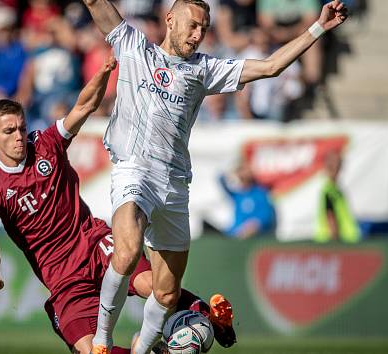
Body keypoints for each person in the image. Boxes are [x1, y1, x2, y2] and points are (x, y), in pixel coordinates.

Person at [81, 0, 348, 353]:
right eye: (192, 25)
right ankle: (102, 341)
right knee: (127, 251)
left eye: (203, 29)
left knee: (166, 292)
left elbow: (270, 66)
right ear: (170, 19)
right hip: (134, 171)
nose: (197, 35)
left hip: (174, 187)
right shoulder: (133, 45)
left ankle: (141, 350)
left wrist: (318, 27)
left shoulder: (204, 69)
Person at [0, 57, 233, 354]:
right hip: (62, 276)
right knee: (90, 351)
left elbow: (83, 107)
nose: (18, 136)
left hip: (93, 241)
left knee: (151, 285)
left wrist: (104, 72)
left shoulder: (46, 143)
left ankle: (211, 317)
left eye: (21, 127)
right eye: (9, 132)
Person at [314, 150, 361, 243]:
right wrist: (336, 244)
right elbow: (331, 219)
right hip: (335, 243)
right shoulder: (329, 192)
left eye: (338, 165)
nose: (337, 169)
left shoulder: (336, 191)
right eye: (333, 166)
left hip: (345, 241)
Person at [219, 162, 275, 239]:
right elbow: (221, 180)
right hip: (234, 235)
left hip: (254, 237)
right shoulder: (237, 195)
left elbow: (266, 215)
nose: (243, 174)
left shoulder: (260, 192)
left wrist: (255, 225)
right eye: (240, 171)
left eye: (245, 171)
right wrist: (231, 173)